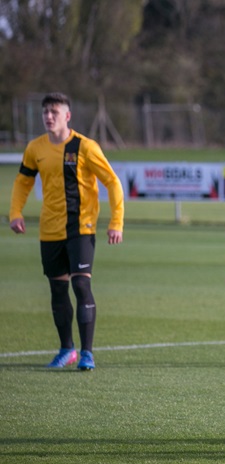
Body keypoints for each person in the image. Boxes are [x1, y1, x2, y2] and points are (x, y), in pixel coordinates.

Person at [8, 92, 124, 371]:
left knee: (81, 285)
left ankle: (87, 353)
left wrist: (116, 222)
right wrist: (15, 213)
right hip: (50, 230)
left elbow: (112, 182)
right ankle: (66, 349)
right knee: (58, 290)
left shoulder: (85, 146)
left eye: (54, 112)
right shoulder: (35, 148)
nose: (49, 117)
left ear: (67, 116)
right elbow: (23, 182)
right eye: (45, 112)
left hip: (81, 228)